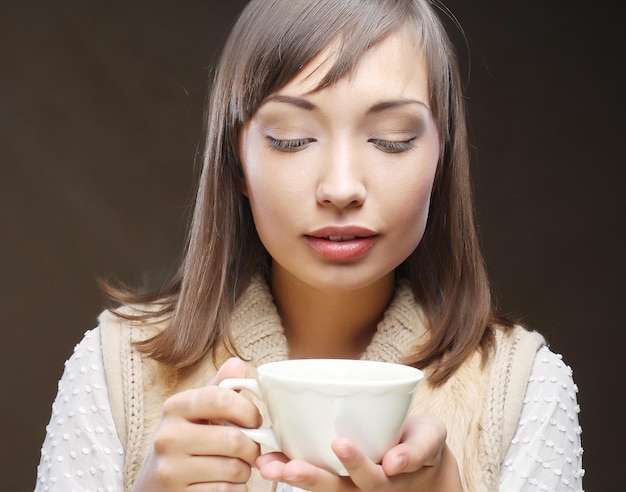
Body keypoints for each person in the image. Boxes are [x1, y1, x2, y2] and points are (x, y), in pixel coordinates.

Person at [36, 0, 584, 491]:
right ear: (239, 162)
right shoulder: (117, 366)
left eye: (391, 139)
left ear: (442, 157)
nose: (341, 187)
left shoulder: (523, 385)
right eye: (292, 140)